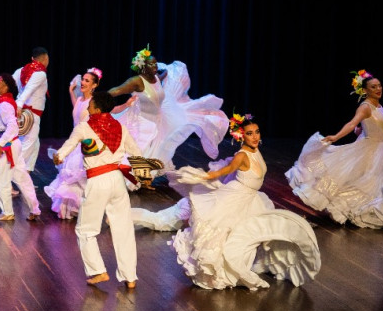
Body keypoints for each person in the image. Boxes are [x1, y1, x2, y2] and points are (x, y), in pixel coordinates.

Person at [135, 114, 321, 290]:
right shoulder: (242, 156)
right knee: (210, 232)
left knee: (244, 235)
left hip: (249, 199)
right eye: (250, 133)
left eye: (257, 132)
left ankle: (237, 269)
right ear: (242, 136)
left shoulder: (255, 151)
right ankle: (218, 274)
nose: (255, 136)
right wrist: (200, 176)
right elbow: (222, 172)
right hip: (233, 198)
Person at [286, 70, 383, 229]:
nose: (378, 89)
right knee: (367, 182)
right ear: (365, 90)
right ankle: (358, 210)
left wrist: (361, 131)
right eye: (373, 87)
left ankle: (373, 212)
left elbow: (374, 125)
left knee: (381, 182)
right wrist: (336, 136)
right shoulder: (365, 107)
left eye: (379, 86)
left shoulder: (378, 105)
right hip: (372, 150)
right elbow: (352, 123)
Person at [53, 91, 142, 288]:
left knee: (86, 229)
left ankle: (98, 271)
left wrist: (58, 156)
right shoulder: (120, 127)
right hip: (117, 180)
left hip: (98, 181)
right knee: (124, 228)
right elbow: (136, 153)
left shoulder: (85, 127)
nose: (88, 106)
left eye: (91, 104)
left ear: (97, 109)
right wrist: (142, 174)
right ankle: (130, 277)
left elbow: (68, 146)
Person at [108, 45, 227, 174]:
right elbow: (116, 90)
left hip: (158, 119)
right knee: (139, 147)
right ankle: (133, 174)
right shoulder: (136, 81)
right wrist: (100, 98)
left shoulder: (155, 78)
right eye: (152, 65)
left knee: (159, 148)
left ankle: (145, 175)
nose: (156, 67)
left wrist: (167, 71)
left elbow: (163, 75)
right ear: (143, 67)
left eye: (155, 64)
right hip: (141, 121)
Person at [0, 47, 49, 172]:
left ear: (32, 59)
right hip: (30, 115)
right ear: (46, 59)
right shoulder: (40, 73)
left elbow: (6, 85)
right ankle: (11, 173)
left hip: (23, 113)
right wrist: (19, 104)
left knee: (35, 145)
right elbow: (28, 89)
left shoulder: (22, 70)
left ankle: (26, 176)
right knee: (27, 146)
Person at [44, 68, 102, 219]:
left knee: (76, 173)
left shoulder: (94, 103)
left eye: (87, 81)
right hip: (74, 140)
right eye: (83, 79)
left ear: (94, 85)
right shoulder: (81, 101)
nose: (83, 82)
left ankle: (80, 206)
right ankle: (67, 207)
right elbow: (77, 108)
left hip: (84, 142)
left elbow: (106, 113)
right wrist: (71, 91)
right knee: (69, 173)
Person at [0, 73, 41, 221]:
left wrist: (0, 145)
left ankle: (7, 212)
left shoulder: (4, 104)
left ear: (6, 87)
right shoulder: (4, 101)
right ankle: (35, 208)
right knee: (21, 177)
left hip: (7, 145)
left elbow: (13, 127)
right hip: (13, 144)